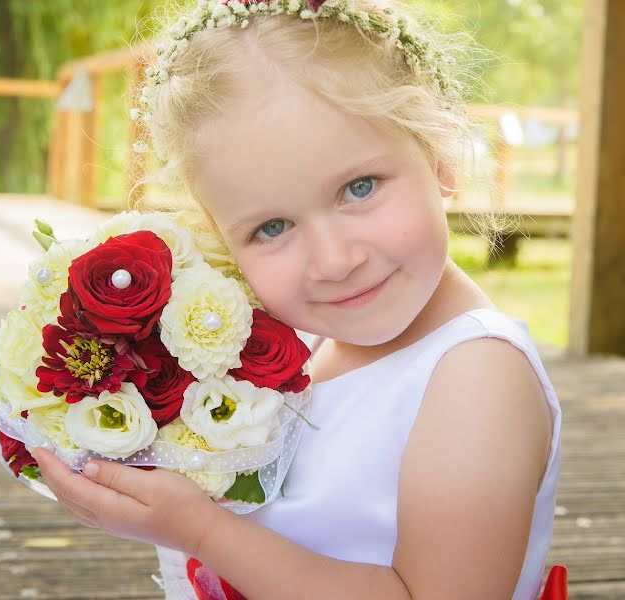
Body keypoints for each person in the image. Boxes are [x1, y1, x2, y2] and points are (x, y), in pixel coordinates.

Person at [29, 1, 567, 598]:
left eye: (358, 188)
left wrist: (201, 530)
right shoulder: (305, 339)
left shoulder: (475, 375)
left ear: (440, 155)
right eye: (272, 228)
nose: (335, 261)